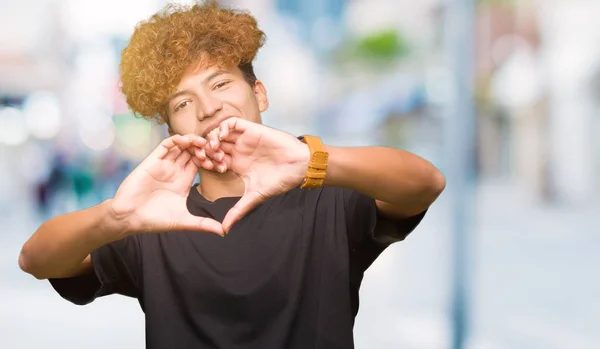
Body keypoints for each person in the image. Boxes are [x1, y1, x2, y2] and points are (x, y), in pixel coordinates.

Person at [18, 1, 446, 348]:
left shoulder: (323, 189)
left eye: (220, 84)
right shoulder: (155, 217)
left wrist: (310, 161)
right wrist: (115, 217)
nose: (207, 108)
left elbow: (425, 183)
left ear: (258, 92)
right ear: (171, 130)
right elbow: (35, 260)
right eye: (183, 103)